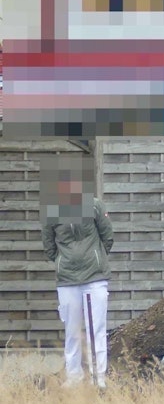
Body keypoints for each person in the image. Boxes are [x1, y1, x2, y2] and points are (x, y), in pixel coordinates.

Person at [41, 165, 114, 389]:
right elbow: (49, 246)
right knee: (71, 331)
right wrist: (63, 263)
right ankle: (74, 377)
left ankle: (98, 379)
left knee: (96, 331)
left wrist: (95, 260)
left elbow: (107, 236)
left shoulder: (94, 205)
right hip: (67, 281)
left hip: (95, 279)